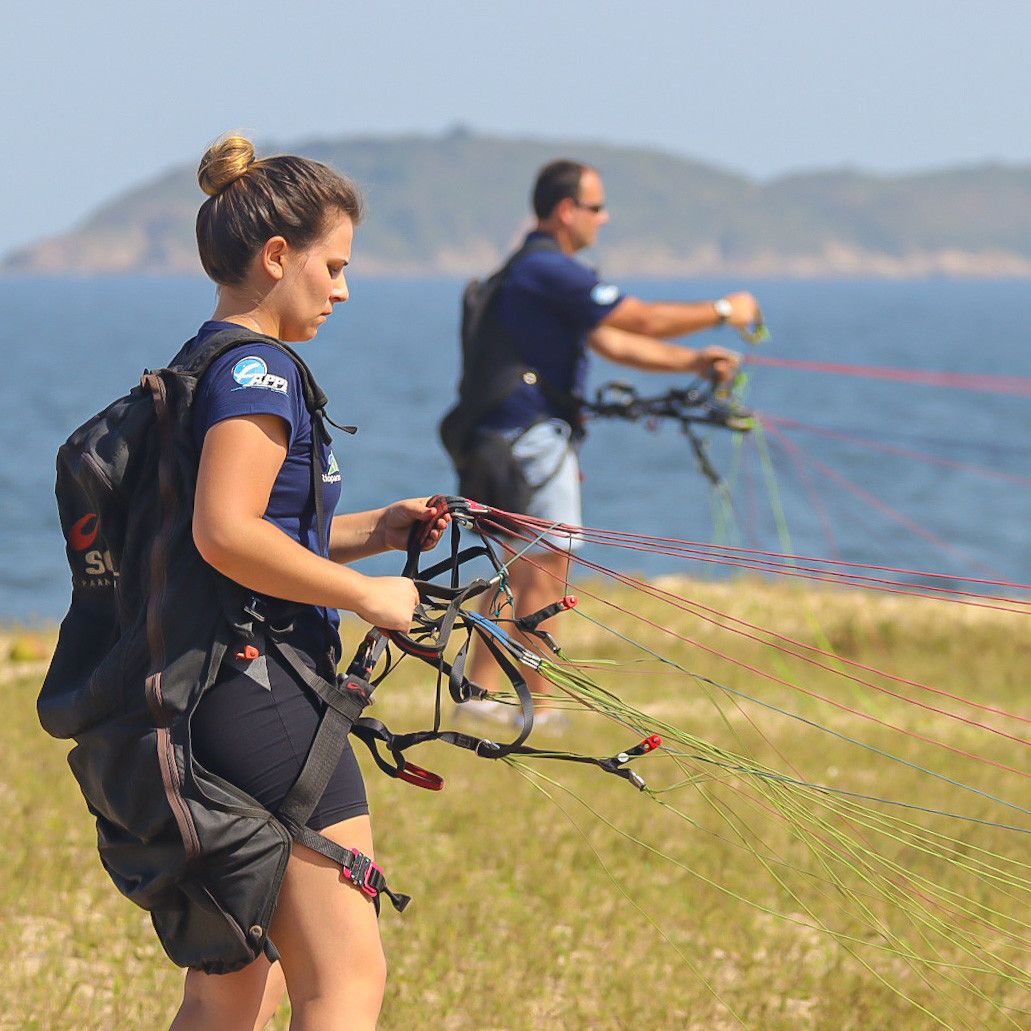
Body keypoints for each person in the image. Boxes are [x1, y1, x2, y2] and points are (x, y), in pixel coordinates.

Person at [168, 134, 448, 1030]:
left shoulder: (198, 363)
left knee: (231, 983)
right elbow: (225, 531)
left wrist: (374, 533)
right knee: (341, 978)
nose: (342, 288)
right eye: (333, 264)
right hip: (267, 698)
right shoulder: (262, 371)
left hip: (201, 686)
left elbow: (249, 530)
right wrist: (367, 596)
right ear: (277, 255)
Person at [448, 159, 762, 714]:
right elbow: (638, 320)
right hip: (531, 437)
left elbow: (614, 343)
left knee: (516, 565)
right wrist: (722, 311)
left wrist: (693, 362)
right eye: (596, 207)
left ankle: (478, 697)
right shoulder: (552, 270)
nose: (604, 217)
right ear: (567, 211)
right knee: (548, 564)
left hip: (507, 436)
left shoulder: (530, 271)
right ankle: (538, 710)